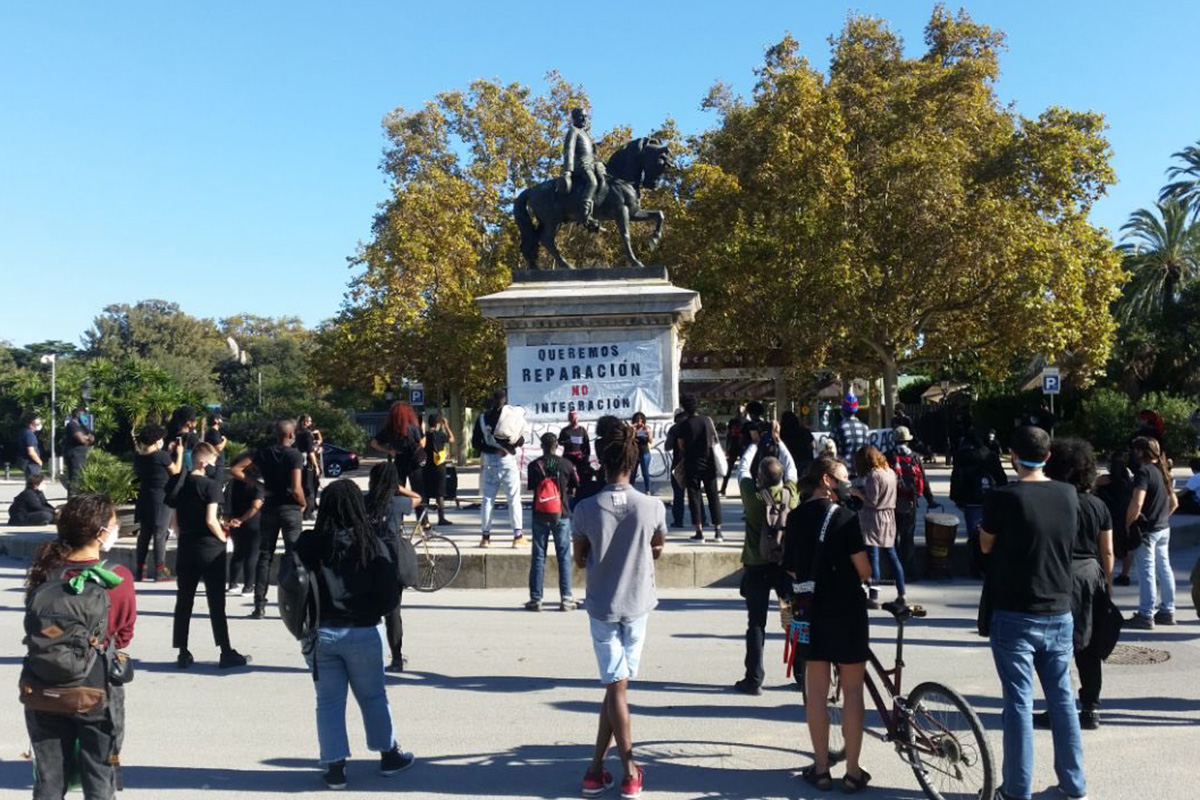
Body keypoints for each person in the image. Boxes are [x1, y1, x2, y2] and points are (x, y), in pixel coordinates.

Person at [979, 425, 1087, 800]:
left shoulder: (1003, 497)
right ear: (1048, 456)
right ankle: (1073, 784)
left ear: (1012, 456)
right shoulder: (1068, 494)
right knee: (1063, 700)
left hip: (1015, 609)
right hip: (1058, 607)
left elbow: (986, 544)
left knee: (1019, 704)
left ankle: (1017, 789)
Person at [295, 479, 413, 790]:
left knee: (328, 702)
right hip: (362, 630)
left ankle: (335, 768)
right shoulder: (371, 544)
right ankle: (389, 756)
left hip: (320, 632)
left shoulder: (308, 543)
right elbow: (390, 597)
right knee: (373, 696)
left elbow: (292, 585)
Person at [573, 422, 666, 800]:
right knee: (618, 687)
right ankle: (623, 770)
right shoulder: (652, 506)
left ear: (602, 462)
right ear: (633, 461)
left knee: (616, 687)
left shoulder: (584, 508)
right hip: (638, 602)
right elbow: (657, 548)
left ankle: (601, 771)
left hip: (602, 605)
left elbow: (579, 559)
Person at [23, 493, 136, 800]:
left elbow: (39, 628)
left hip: (43, 686)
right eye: (114, 524)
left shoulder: (45, 571)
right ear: (100, 532)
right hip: (95, 687)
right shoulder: (117, 577)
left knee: (48, 780)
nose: (116, 530)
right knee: (99, 777)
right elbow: (123, 634)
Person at [783, 455, 872, 793]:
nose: (847, 483)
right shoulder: (846, 518)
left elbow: (791, 568)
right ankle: (852, 772)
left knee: (816, 693)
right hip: (847, 610)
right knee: (853, 691)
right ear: (826, 480)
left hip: (809, 612)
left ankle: (821, 769)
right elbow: (863, 570)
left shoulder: (795, 518)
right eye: (842, 477)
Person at [1040, 438, 1114, 730]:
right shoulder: (1098, 505)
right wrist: (1108, 583)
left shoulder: (1054, 502)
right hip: (1091, 575)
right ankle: (1091, 707)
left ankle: (1059, 707)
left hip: (1059, 575)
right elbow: (1107, 550)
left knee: (1057, 647)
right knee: (1090, 647)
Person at [171, 442, 250, 669]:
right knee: (216, 602)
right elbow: (211, 520)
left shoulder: (179, 485)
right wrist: (223, 539)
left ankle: (182, 651)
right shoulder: (211, 486)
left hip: (186, 546)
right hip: (209, 547)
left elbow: (174, 523)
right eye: (214, 461)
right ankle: (225, 650)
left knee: (184, 600)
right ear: (204, 462)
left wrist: (185, 536)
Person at [734, 455, 798, 696]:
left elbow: (742, 469)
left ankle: (754, 678)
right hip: (784, 568)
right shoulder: (790, 494)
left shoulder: (753, 497)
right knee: (791, 619)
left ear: (760, 477)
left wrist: (752, 444)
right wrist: (779, 442)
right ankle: (802, 673)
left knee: (756, 623)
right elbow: (791, 468)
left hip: (756, 567)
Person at [231, 419, 306, 619]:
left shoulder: (263, 453)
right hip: (290, 507)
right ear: (291, 435)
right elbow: (296, 487)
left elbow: (236, 469)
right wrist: (303, 503)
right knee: (293, 555)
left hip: (270, 506)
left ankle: (259, 605)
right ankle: (294, 603)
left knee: (265, 556)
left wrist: (258, 484)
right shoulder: (294, 455)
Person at [365, 461, 422, 673]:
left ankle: (368, 657)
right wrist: (399, 488)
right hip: (391, 559)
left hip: (368, 557)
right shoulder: (397, 502)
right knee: (392, 612)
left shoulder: (364, 501)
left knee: (368, 611)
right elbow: (418, 498)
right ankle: (396, 657)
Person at [1126, 436, 1179, 629]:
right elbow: (1174, 503)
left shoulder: (1143, 472)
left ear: (1140, 452)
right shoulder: (1163, 471)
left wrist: (1128, 523)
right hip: (1163, 528)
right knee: (1164, 568)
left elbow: (1137, 502)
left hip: (1147, 531)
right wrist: (1161, 517)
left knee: (1146, 571)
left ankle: (1146, 614)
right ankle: (1167, 610)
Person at [526, 432, 580, 612]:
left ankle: (536, 599)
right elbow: (575, 486)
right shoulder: (566, 464)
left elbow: (533, 487)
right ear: (556, 445)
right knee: (563, 556)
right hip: (561, 514)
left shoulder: (534, 465)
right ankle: (566, 598)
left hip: (539, 514)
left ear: (542, 446)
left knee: (538, 556)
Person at [471, 389, 526, 548]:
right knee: (513, 498)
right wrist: (512, 444)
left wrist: (492, 450)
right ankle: (517, 536)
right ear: (505, 401)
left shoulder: (482, 418)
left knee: (487, 499)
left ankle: (485, 537)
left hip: (489, 461)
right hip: (507, 460)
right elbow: (520, 440)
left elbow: (475, 443)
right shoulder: (511, 417)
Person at [853, 446, 903, 608]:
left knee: (873, 558)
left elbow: (872, 501)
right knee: (892, 555)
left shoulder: (874, 475)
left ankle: (873, 596)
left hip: (874, 518)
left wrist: (857, 493)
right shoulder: (890, 472)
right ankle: (902, 593)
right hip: (890, 516)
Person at [951, 431, 1009, 572]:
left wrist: (956, 497)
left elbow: (957, 477)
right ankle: (991, 564)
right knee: (992, 532)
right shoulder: (990, 455)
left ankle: (976, 566)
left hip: (971, 498)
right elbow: (1001, 477)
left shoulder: (962, 456)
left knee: (974, 534)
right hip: (990, 498)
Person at [132, 424, 183, 582]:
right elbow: (175, 471)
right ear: (156, 440)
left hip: (144, 497)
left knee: (144, 534)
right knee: (160, 533)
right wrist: (180, 454)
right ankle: (160, 571)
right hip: (161, 497)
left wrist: (168, 453)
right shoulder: (161, 456)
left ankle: (140, 570)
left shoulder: (139, 456)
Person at [889, 426, 938, 573]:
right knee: (908, 537)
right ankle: (909, 570)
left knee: (893, 537)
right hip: (910, 500)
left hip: (892, 502)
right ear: (907, 441)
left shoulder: (888, 455)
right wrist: (930, 499)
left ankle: (894, 571)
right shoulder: (915, 457)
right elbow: (923, 479)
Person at [676, 394, 723, 542]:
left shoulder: (683, 425)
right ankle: (718, 531)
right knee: (713, 495)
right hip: (709, 461)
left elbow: (681, 445)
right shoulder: (707, 421)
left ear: (684, 407)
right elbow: (714, 439)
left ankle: (699, 532)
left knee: (694, 497)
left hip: (692, 462)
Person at [561, 106, 603, 231]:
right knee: (592, 182)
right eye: (581, 116)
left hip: (591, 164)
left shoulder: (585, 133)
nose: (584, 119)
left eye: (586, 116)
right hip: (581, 165)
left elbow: (589, 151)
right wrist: (568, 171)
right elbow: (568, 150)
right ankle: (584, 215)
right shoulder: (573, 131)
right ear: (574, 118)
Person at [1095, 452, 1134, 586]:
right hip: (1124, 516)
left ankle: (1106, 574)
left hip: (1110, 516)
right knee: (1126, 547)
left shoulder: (1105, 481)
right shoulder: (1127, 481)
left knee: (1107, 547)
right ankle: (1125, 574)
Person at [227, 462, 265, 595]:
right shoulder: (257, 485)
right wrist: (243, 519)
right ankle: (248, 586)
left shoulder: (234, 483)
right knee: (252, 554)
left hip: (234, 520)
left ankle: (232, 584)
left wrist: (235, 519)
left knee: (238, 553)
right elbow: (256, 505)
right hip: (253, 522)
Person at [422, 413, 455, 526]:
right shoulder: (440, 435)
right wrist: (446, 426)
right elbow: (452, 439)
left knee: (426, 494)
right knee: (439, 493)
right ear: (438, 424)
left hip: (427, 467)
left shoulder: (425, 435)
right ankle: (441, 518)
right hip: (439, 467)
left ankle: (425, 519)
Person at [831, 394, 870, 477]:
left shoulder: (838, 428)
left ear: (843, 410)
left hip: (843, 474)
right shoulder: (865, 428)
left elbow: (830, 449)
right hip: (861, 474)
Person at [62, 407, 95, 495]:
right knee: (75, 478)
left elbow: (92, 438)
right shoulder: (72, 425)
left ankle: (77, 496)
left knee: (80, 477)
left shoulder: (82, 426)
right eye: (83, 414)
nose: (85, 417)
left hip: (81, 455)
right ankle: (72, 497)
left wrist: (87, 437)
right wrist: (86, 438)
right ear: (77, 414)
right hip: (74, 455)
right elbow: (81, 440)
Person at [296, 413, 322, 520]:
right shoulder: (307, 434)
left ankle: (304, 510)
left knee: (303, 486)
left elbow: (318, 442)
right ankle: (308, 512)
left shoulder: (297, 433)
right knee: (309, 488)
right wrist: (316, 466)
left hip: (299, 463)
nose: (310, 423)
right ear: (304, 422)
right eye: (308, 421)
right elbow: (310, 452)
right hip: (308, 464)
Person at [559, 409, 593, 482]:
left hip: (579, 458)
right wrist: (565, 442)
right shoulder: (565, 430)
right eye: (571, 418)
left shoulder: (582, 430)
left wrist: (586, 457)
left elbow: (587, 444)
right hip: (568, 457)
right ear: (569, 419)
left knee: (581, 476)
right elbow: (559, 442)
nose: (574, 420)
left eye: (574, 418)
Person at [779, 410, 815, 476]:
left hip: (790, 461)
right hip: (806, 461)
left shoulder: (782, 433)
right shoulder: (804, 431)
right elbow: (813, 445)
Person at [722, 405, 748, 496]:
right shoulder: (733, 422)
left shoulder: (746, 422)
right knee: (729, 468)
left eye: (740, 412)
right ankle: (723, 488)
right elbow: (728, 435)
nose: (739, 413)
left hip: (741, 447)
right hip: (734, 446)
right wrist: (727, 448)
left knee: (744, 468)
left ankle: (744, 489)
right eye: (738, 411)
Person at [629, 412, 653, 494]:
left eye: (641, 420)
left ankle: (647, 490)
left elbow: (650, 441)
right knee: (633, 473)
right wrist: (633, 431)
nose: (639, 423)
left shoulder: (646, 428)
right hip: (635, 453)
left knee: (645, 472)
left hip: (645, 453)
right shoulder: (632, 429)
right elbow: (630, 441)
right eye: (637, 421)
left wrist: (648, 433)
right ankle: (631, 489)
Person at [202, 412, 228, 486]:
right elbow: (219, 448)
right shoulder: (214, 432)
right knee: (216, 486)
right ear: (216, 420)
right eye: (221, 419)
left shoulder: (212, 432)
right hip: (216, 465)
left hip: (214, 464)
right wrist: (225, 441)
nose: (222, 421)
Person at [17, 413, 43, 478]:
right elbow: (31, 452)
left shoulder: (23, 432)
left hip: (26, 462)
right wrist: (39, 462)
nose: (39, 425)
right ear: (31, 425)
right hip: (32, 463)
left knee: (30, 481)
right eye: (37, 424)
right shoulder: (30, 435)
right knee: (33, 481)